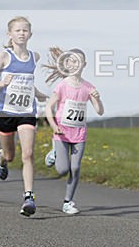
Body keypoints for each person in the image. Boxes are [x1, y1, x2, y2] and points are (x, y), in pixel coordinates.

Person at [0, 16, 47, 216]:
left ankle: (29, 197)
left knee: (27, 154)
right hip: (5, 112)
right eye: (17, 30)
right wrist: (2, 83)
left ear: (30, 34)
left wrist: (40, 95)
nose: (21, 33)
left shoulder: (34, 57)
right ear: (9, 34)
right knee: (10, 156)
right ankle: (1, 159)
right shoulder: (4, 56)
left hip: (27, 112)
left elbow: (27, 84)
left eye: (25, 30)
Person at [42, 47, 104, 215]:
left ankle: (68, 202)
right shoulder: (62, 86)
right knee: (62, 170)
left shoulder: (88, 87)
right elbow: (48, 107)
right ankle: (54, 153)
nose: (76, 64)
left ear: (84, 65)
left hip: (79, 134)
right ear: (67, 64)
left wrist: (97, 98)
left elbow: (100, 111)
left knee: (75, 168)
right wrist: (54, 126)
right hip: (61, 133)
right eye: (73, 61)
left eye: (79, 61)